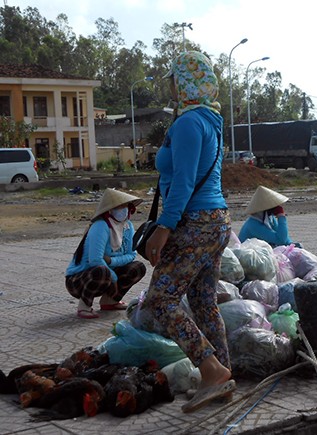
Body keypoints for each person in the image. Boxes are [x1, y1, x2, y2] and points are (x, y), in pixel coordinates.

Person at [138, 51, 235, 413]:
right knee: (203, 302)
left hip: (194, 223)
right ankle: (224, 375)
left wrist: (164, 227)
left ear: (185, 81)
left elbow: (183, 180)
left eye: (174, 80)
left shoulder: (189, 123)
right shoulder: (211, 119)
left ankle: (211, 370)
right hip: (216, 221)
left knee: (161, 300)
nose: (172, 87)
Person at [65, 189, 146, 319]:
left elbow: (131, 255)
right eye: (119, 207)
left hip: (107, 271)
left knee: (138, 267)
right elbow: (95, 260)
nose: (123, 210)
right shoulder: (100, 226)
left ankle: (110, 301)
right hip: (80, 280)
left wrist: (111, 261)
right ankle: (84, 306)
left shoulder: (127, 226)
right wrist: (113, 278)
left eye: (125, 206)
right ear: (109, 210)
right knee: (102, 271)